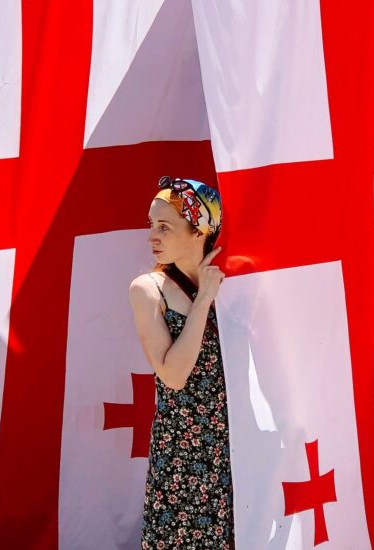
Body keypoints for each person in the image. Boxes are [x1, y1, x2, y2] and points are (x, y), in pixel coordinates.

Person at [128, 175, 234, 548]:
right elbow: (172, 375)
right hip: (183, 456)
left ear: (198, 231)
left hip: (236, 446)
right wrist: (203, 301)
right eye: (151, 225)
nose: (152, 236)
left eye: (165, 226)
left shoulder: (235, 280)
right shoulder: (148, 289)